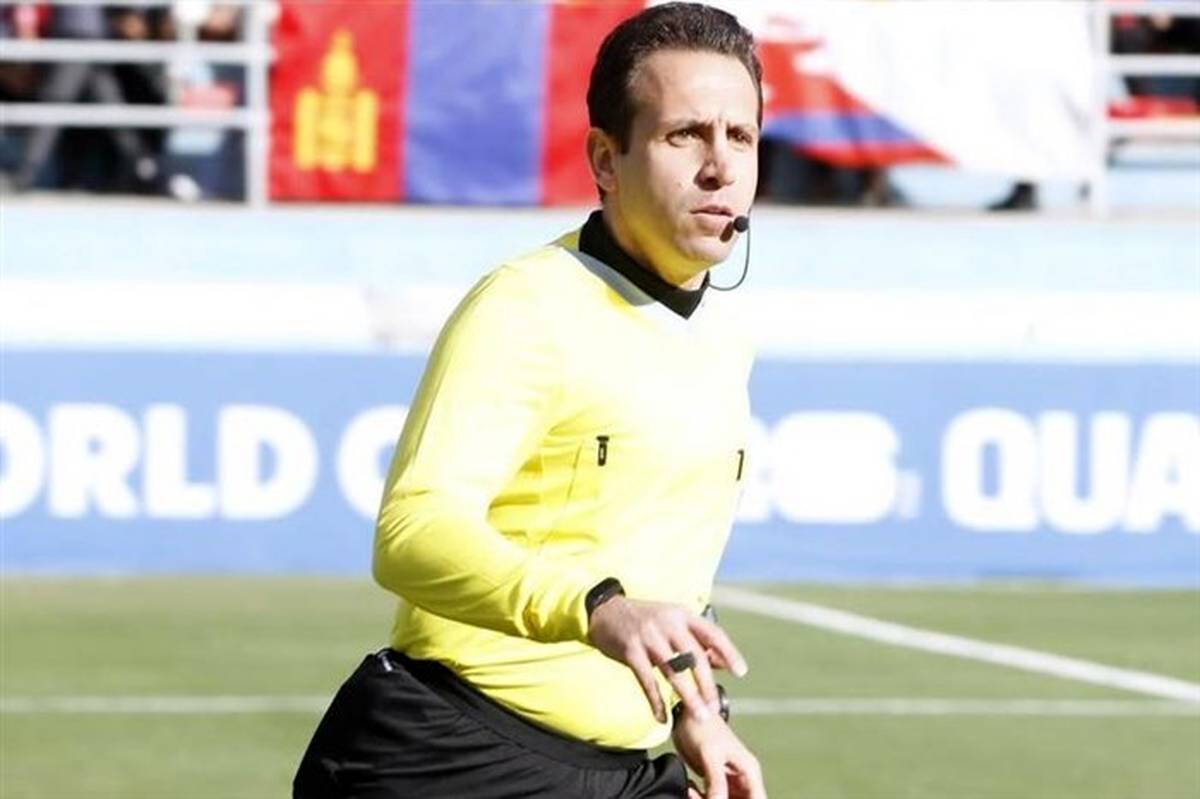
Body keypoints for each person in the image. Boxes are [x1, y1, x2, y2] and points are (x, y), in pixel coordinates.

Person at [294, 4, 766, 797]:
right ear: (606, 159)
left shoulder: (724, 337)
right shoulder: (526, 305)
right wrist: (596, 607)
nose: (720, 167)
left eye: (741, 137)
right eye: (685, 134)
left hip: (622, 768)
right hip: (452, 755)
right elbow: (411, 533)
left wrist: (700, 708)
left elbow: (665, 562)